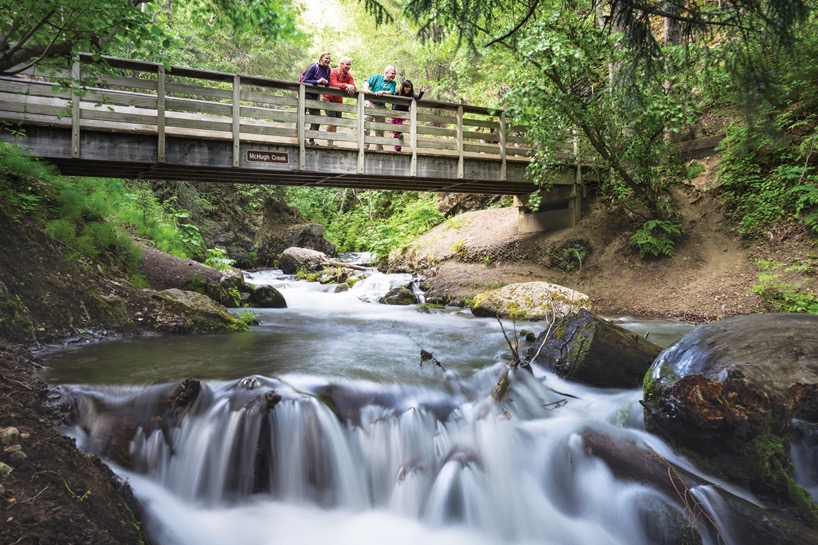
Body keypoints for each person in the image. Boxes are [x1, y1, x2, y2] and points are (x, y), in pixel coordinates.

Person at [322, 57, 356, 148]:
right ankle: (329, 143)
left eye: (350, 65)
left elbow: (353, 86)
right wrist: (346, 85)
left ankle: (332, 142)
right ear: (341, 64)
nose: (348, 66)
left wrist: (351, 87)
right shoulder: (334, 71)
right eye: (347, 64)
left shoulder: (348, 75)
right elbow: (333, 84)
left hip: (338, 101)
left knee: (336, 122)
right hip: (328, 98)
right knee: (331, 120)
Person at [363, 65, 397, 150]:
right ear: (386, 72)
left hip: (381, 106)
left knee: (380, 128)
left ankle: (379, 148)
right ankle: (364, 147)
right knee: (366, 126)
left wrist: (383, 92)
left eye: (395, 74)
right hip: (371, 104)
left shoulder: (393, 83)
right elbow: (366, 82)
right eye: (392, 73)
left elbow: (391, 92)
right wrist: (366, 90)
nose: (394, 75)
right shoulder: (377, 77)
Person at [301, 52, 332, 146]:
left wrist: (326, 82)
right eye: (326, 58)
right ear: (321, 58)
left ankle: (311, 140)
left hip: (315, 96)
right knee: (302, 117)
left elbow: (329, 83)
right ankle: (301, 139)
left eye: (329, 59)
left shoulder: (328, 69)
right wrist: (317, 81)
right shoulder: (314, 67)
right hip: (305, 94)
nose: (328, 60)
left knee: (317, 118)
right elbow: (305, 80)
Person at [391, 80, 428, 152]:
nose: (407, 89)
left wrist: (422, 92)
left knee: (399, 124)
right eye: (406, 87)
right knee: (394, 131)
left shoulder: (411, 94)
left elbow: (418, 97)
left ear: (411, 88)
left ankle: (399, 133)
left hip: (403, 113)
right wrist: (395, 93)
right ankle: (397, 148)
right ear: (403, 87)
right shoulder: (399, 92)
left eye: (409, 87)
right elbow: (392, 97)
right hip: (394, 112)